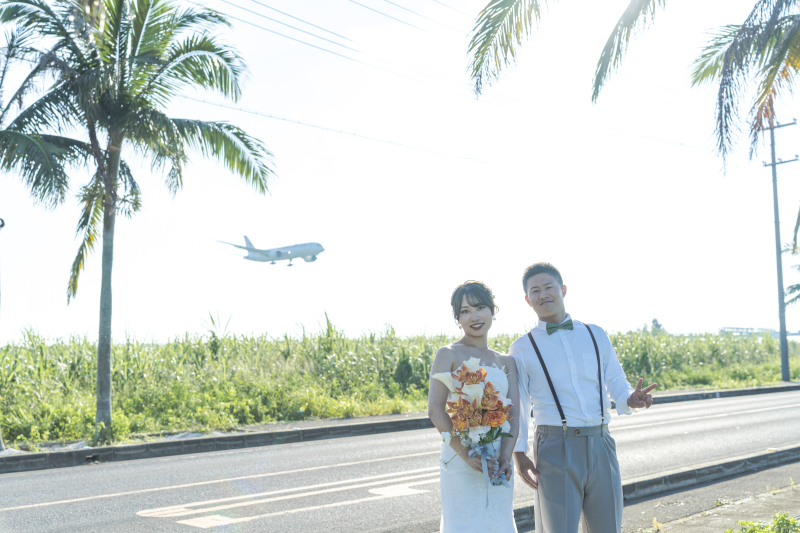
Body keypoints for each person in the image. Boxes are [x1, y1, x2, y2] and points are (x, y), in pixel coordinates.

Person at [510, 263, 656, 533]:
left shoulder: (595, 333)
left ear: (563, 290)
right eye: (535, 291)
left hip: (601, 442)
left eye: (549, 287)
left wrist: (629, 399)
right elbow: (519, 403)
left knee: (608, 527)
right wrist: (518, 454)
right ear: (527, 300)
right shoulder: (522, 347)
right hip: (554, 446)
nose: (543, 295)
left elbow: (615, 381)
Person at [428, 280, 521, 532]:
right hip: (460, 457)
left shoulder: (507, 361)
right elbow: (435, 410)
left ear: (493, 310)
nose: (474, 316)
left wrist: (505, 456)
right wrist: (465, 453)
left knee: (498, 523)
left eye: (480, 307)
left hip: (497, 460)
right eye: (465, 311)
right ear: (457, 318)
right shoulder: (447, 354)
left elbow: (513, 416)